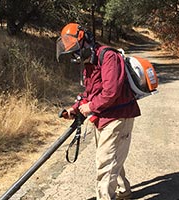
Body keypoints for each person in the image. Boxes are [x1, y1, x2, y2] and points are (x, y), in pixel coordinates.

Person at [56, 23, 141, 200]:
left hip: (118, 116)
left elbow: (111, 92)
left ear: (86, 42)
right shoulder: (89, 63)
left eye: (76, 51)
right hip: (103, 117)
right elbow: (89, 93)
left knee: (105, 161)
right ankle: (124, 191)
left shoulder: (108, 56)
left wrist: (91, 107)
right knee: (110, 157)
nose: (75, 56)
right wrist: (76, 108)